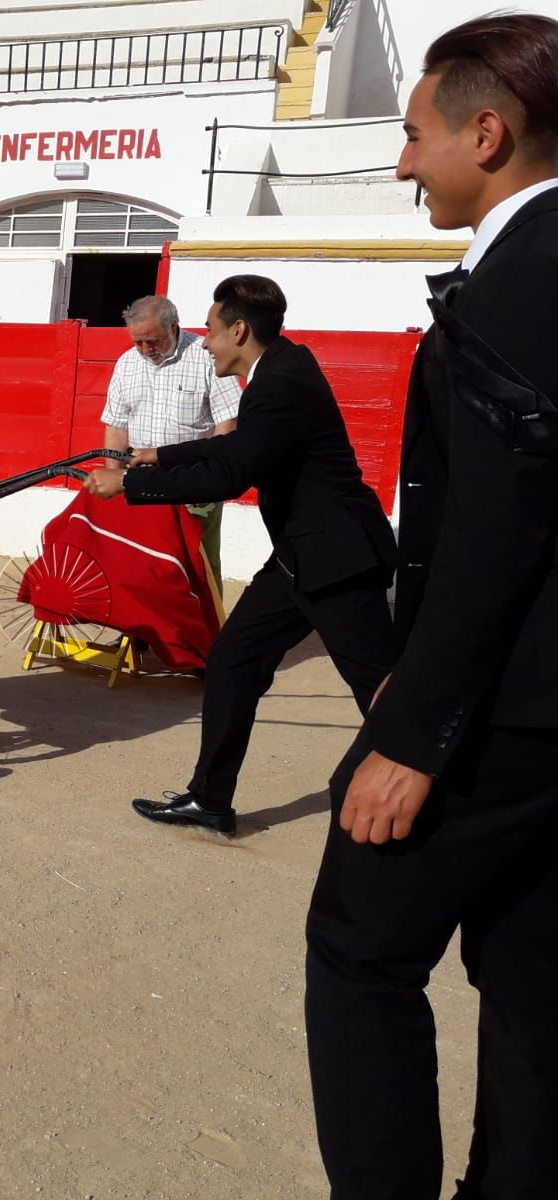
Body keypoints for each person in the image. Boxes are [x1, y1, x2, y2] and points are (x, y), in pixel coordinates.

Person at [304, 14, 558, 1197]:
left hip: (505, 712)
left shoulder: (522, 282)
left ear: (487, 134)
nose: (404, 162)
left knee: (357, 953)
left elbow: (497, 541)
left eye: (414, 136)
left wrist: (412, 732)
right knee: (530, 970)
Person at [83, 275, 396, 835]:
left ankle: (438, 797)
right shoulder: (283, 369)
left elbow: (233, 472)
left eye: (212, 331)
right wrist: (154, 456)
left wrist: (129, 486)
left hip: (339, 561)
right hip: (302, 556)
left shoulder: (280, 384)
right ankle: (210, 799)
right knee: (233, 660)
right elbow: (237, 447)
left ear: (241, 330)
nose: (204, 343)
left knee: (382, 690)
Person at [101, 294, 240, 588]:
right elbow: (116, 426)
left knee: (197, 567)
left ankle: (205, 635)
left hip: (193, 483)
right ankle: (138, 634)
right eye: (138, 342)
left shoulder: (207, 356)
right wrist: (114, 474)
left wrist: (211, 477)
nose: (145, 350)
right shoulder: (127, 364)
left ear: (174, 327)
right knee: (140, 562)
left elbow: (227, 421)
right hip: (141, 482)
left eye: (154, 341)